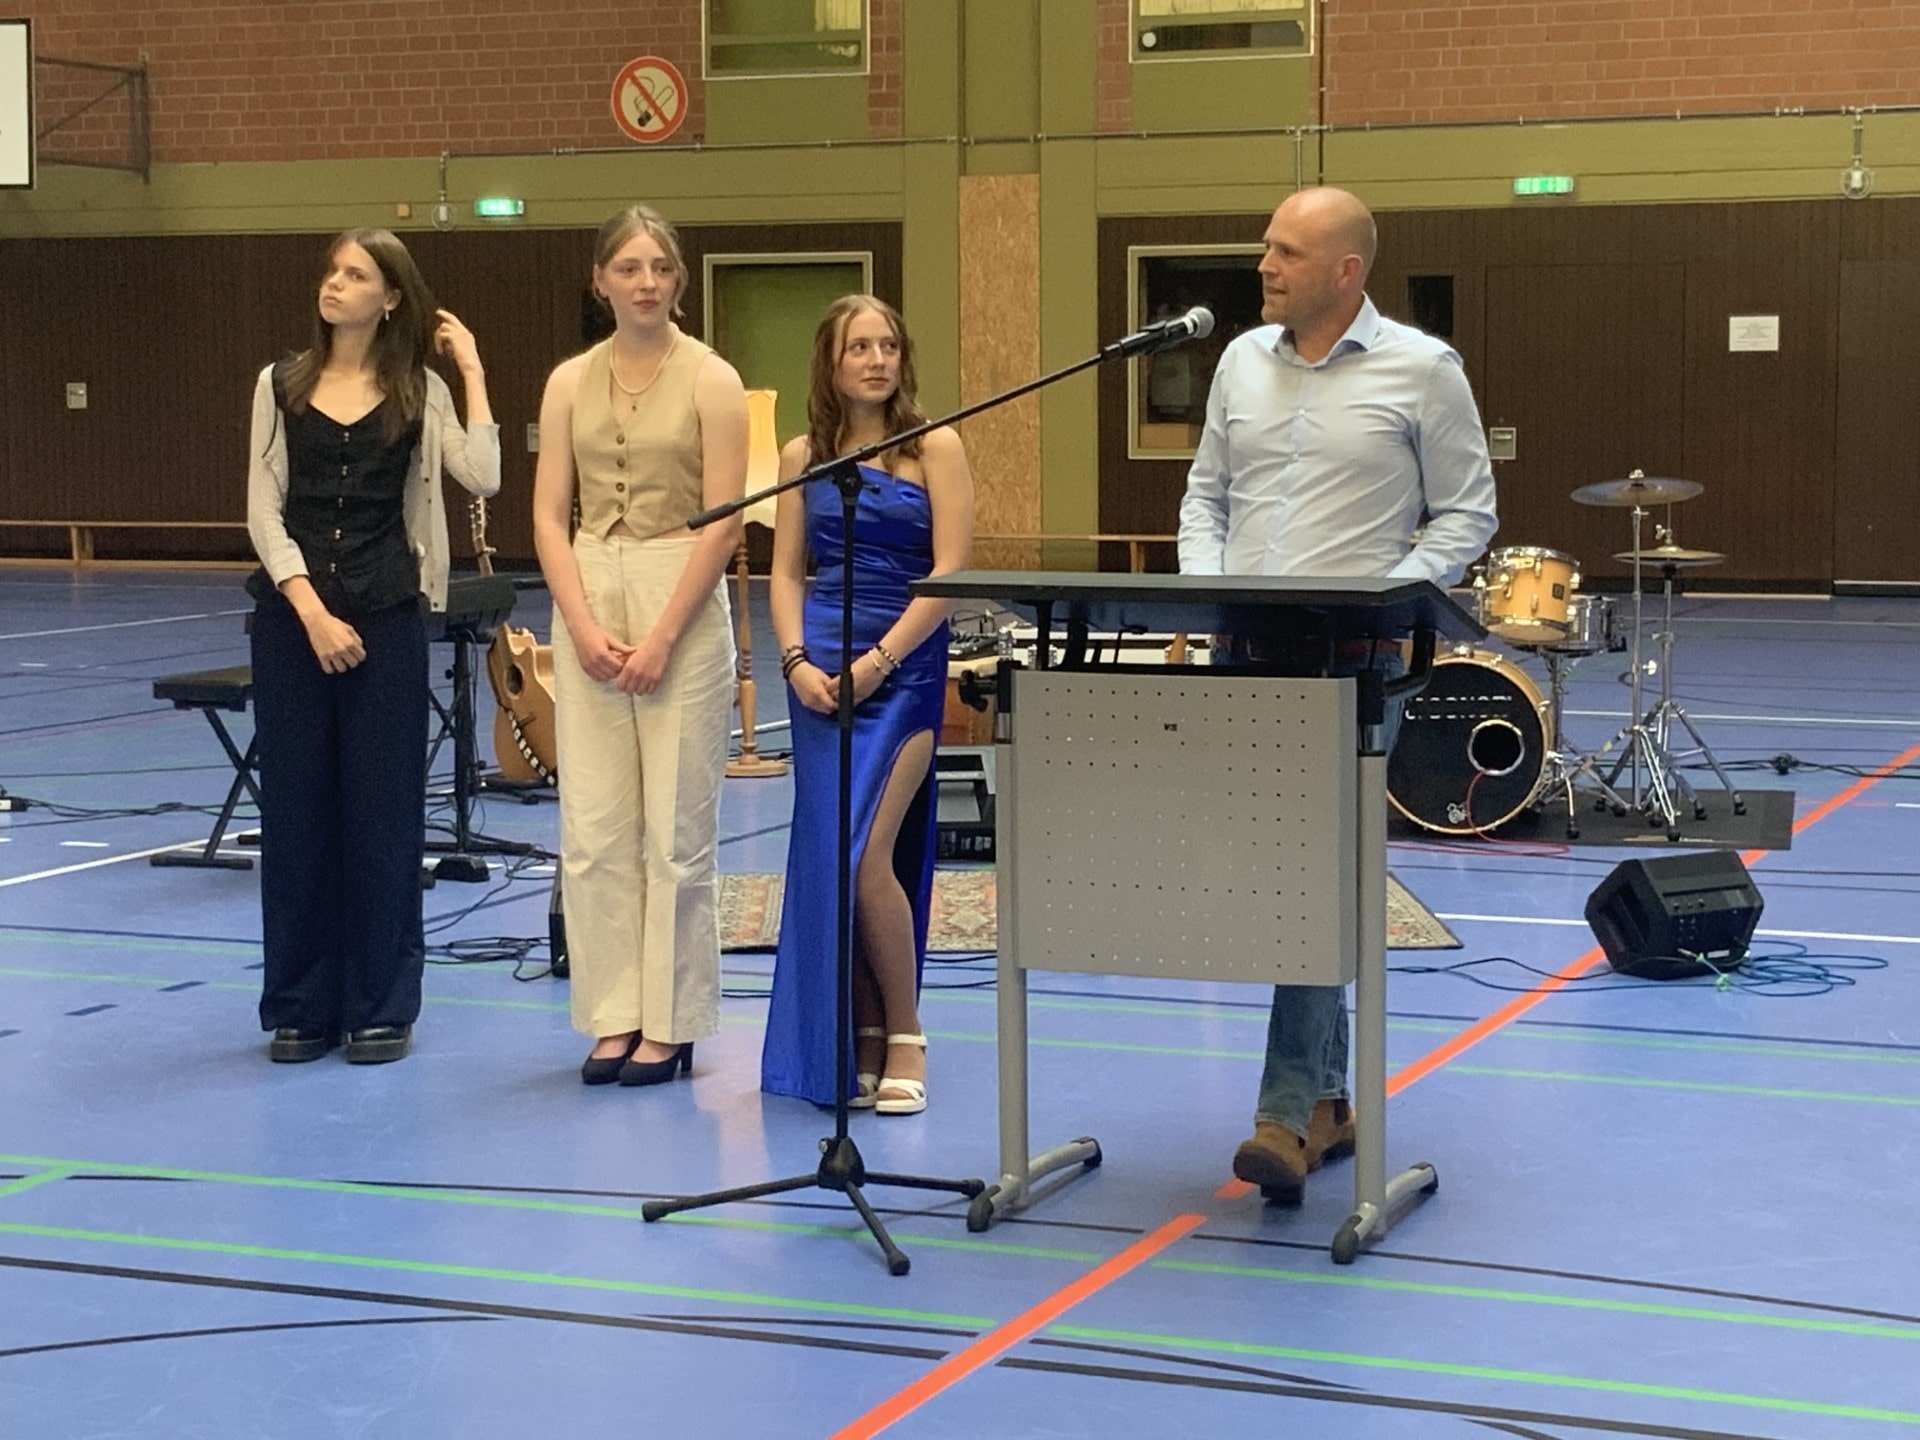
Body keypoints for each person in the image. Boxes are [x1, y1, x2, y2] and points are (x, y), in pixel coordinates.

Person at [1176, 186, 1498, 1202]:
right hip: (1245, 652)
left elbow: (1468, 513)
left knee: (1310, 873)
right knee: (1280, 873)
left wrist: (1393, 592)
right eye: (1266, 247)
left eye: (1286, 251)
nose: (1263, 266)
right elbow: (1205, 496)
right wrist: (1207, 588)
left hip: (1357, 660)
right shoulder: (1240, 360)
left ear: (1345, 272)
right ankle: (1328, 1105)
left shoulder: (1424, 369)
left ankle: (1280, 1118)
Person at [245, 228, 498, 1065]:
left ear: (390, 298)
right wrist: (310, 611)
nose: (335, 284)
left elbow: (483, 475)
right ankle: (300, 1004)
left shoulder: (421, 391)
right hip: (295, 626)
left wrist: (473, 371)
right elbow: (262, 510)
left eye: (356, 275)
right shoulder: (279, 385)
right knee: (296, 818)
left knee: (384, 820)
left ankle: (381, 1005)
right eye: (332, 271)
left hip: (387, 622)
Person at [532, 204, 747, 1088]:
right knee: (593, 829)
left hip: (678, 586)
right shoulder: (567, 382)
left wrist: (660, 638)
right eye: (629, 267)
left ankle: (672, 1022)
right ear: (601, 282)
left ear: (679, 279)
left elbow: (726, 523)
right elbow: (548, 514)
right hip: (589, 582)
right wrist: (581, 627)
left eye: (660, 267)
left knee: (675, 835)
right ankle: (613, 1013)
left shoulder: (713, 379)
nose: (646, 282)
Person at [760, 295, 975, 1113]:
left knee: (865, 854)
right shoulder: (802, 455)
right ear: (831, 361)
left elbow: (951, 571)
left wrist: (882, 661)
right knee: (828, 859)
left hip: (905, 669)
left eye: (888, 345)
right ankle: (860, 1031)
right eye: (859, 346)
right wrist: (793, 661)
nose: (877, 359)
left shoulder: (936, 447)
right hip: (818, 672)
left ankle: (908, 1032)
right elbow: (786, 570)